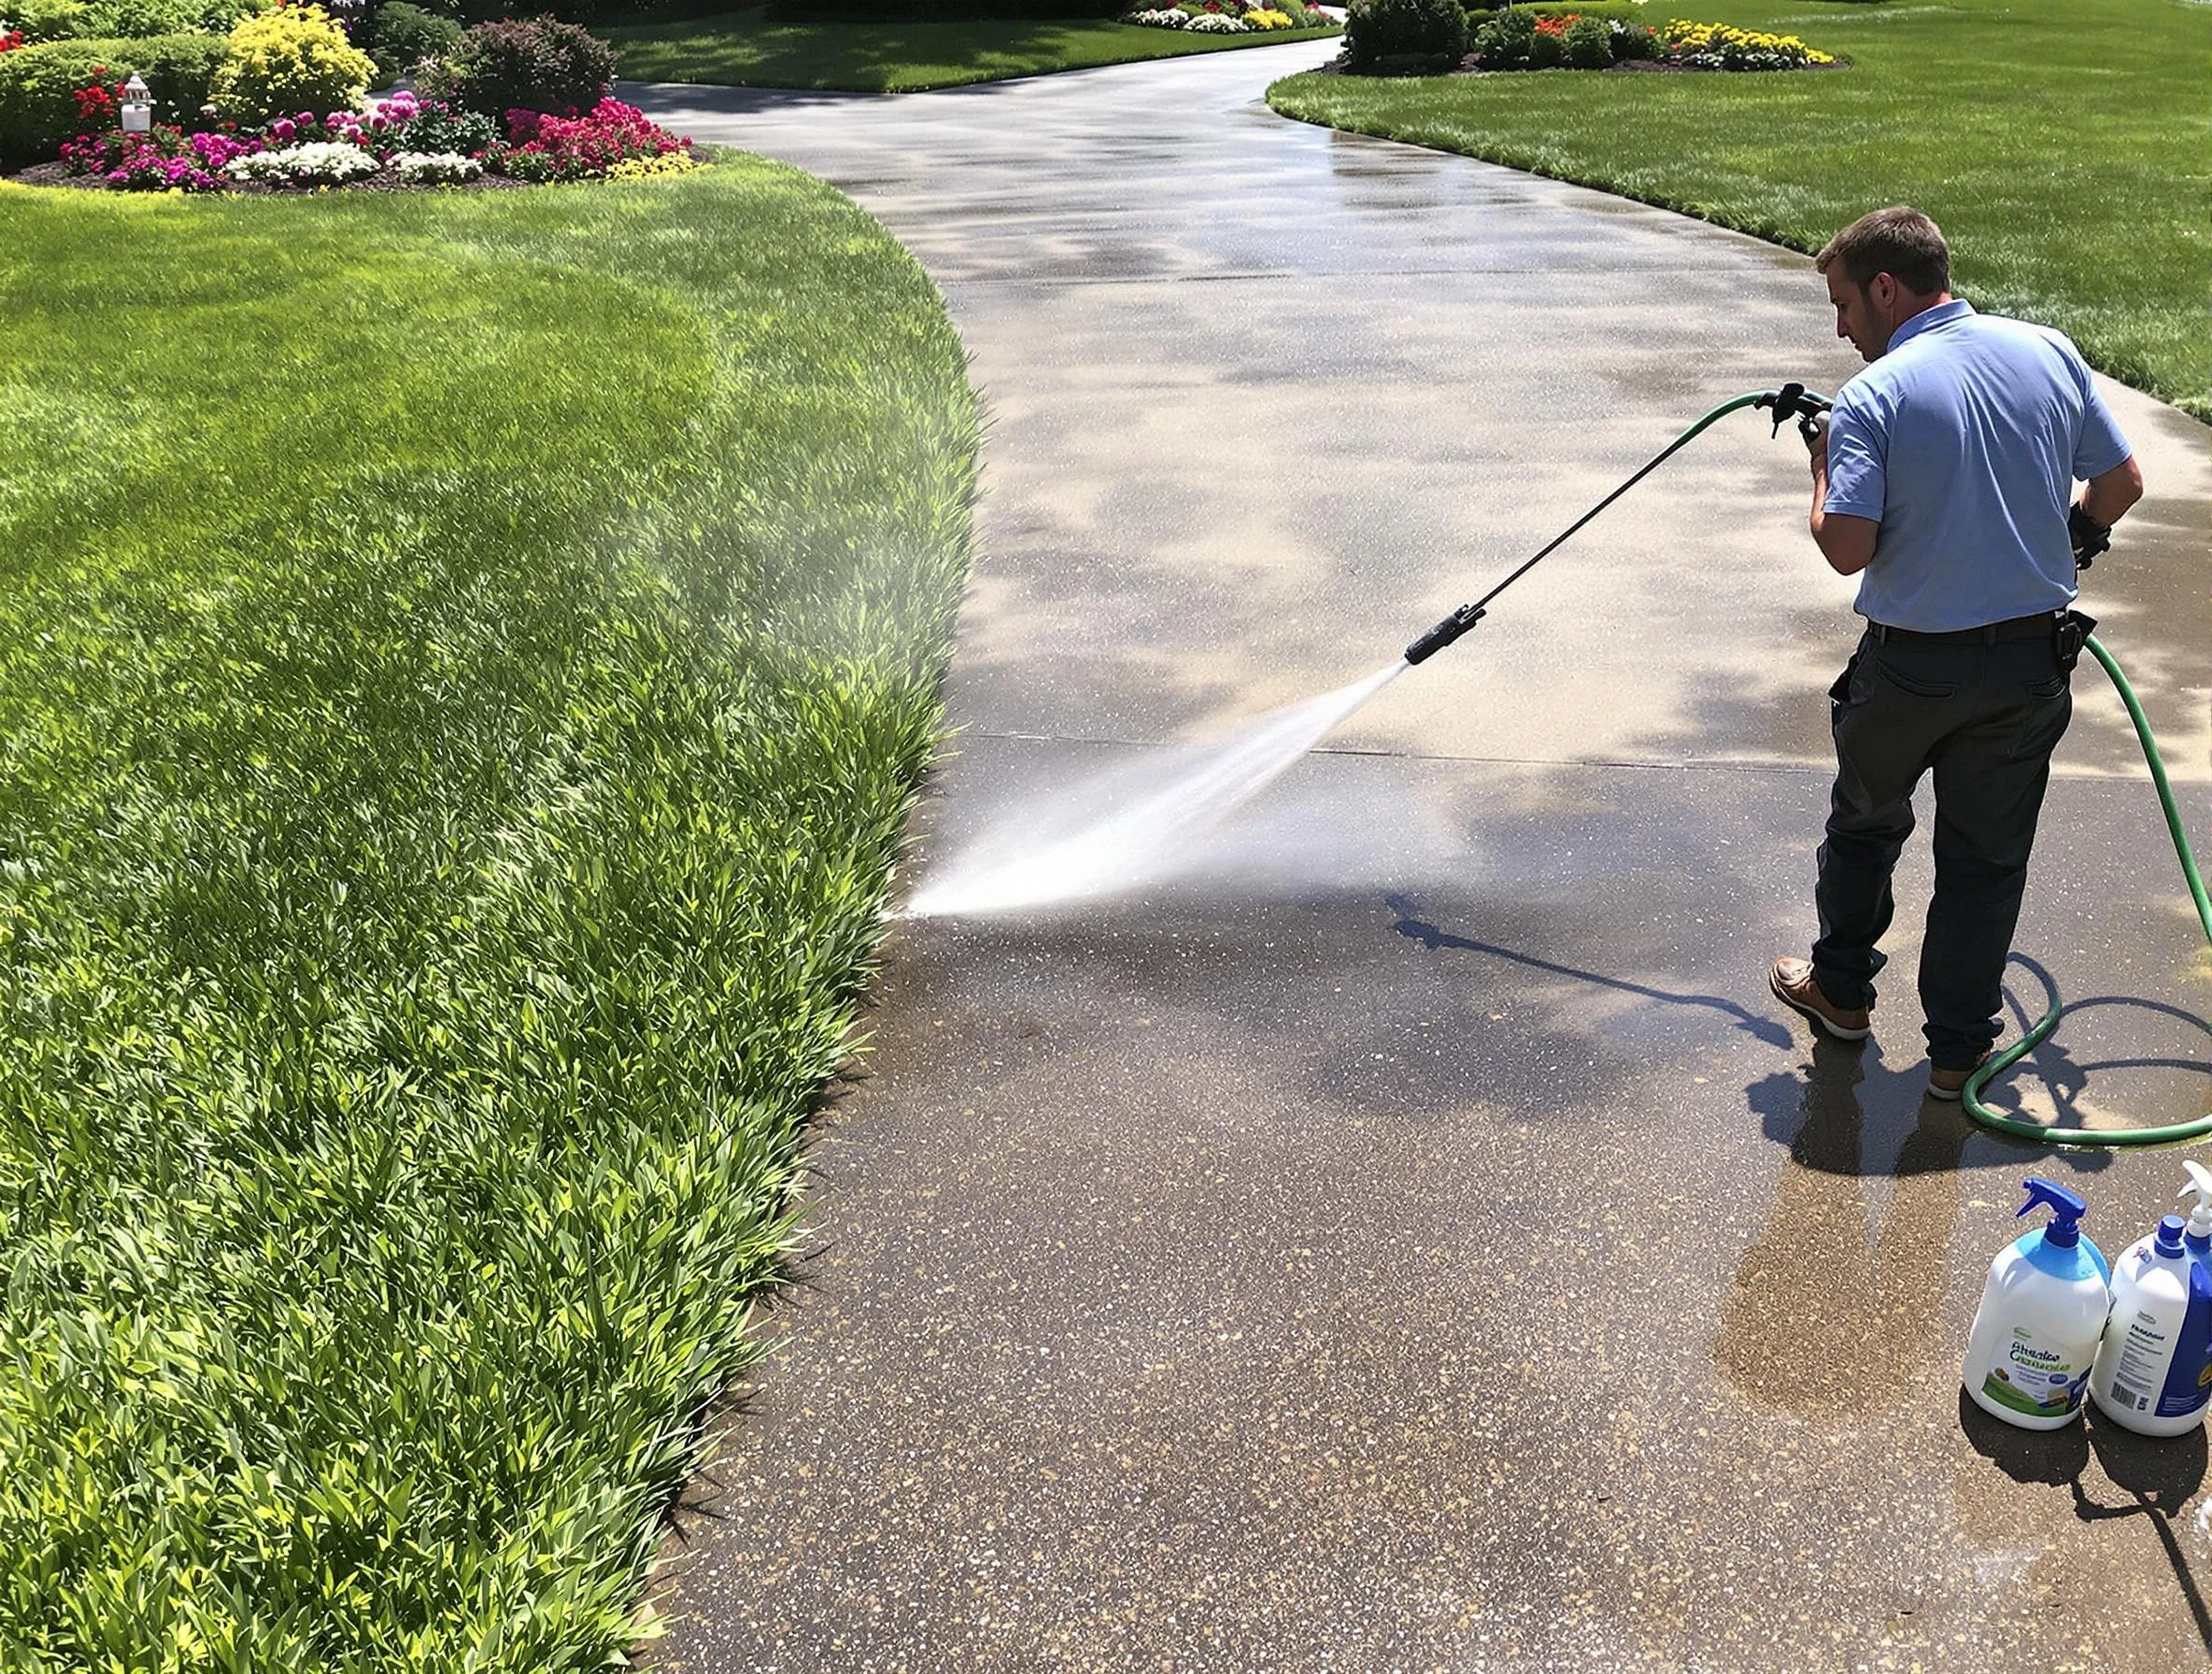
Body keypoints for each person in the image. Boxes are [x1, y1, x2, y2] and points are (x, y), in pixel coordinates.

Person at [1766, 206, 2145, 1099]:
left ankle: (1843, 996)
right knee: (1985, 860)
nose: (1841, 327)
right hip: (2027, 668)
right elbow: (2122, 483)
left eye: (1844, 304)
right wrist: (2074, 535)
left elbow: (1848, 546)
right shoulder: (2046, 349)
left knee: (1865, 825)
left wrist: (1822, 464)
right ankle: (1958, 1055)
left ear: (1886, 288)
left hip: (1910, 672)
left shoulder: (1874, 395)